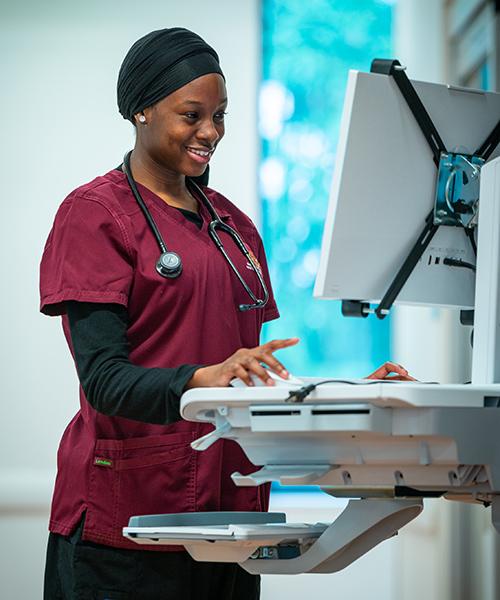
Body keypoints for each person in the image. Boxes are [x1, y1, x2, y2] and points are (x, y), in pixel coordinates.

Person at [39, 27, 411, 600]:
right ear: (141, 110)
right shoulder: (95, 216)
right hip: (129, 527)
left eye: (221, 116)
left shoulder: (234, 230)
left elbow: (251, 381)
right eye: (193, 115)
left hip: (232, 524)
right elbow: (105, 381)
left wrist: (355, 397)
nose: (210, 132)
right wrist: (200, 379)